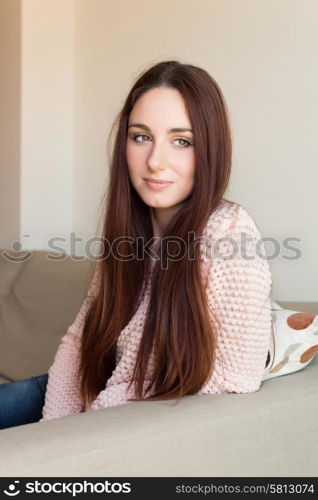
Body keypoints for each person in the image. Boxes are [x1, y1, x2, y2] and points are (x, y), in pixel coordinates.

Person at [0, 60, 274, 430]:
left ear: (210, 149)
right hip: (80, 397)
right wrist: (54, 431)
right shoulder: (128, 233)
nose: (155, 162)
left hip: (120, 421)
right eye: (141, 137)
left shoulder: (229, 232)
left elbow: (235, 380)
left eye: (182, 141)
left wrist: (94, 425)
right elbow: (79, 342)